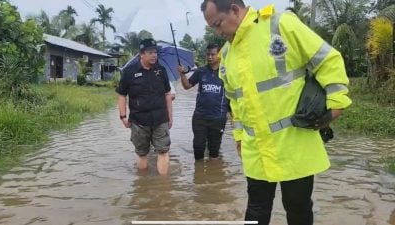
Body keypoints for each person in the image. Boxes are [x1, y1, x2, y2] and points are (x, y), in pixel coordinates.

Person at [201, 1, 352, 225]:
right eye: (212, 27)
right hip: (256, 149)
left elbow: (327, 59)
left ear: (234, 9)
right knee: (256, 211)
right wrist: (240, 137)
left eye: (217, 24)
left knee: (298, 208)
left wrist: (336, 102)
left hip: (294, 143)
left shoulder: (280, 25)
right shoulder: (227, 55)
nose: (217, 32)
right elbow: (236, 102)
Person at [116, 38, 173, 175]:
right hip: (139, 121)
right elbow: (122, 95)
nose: (154, 55)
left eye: (155, 52)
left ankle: (163, 186)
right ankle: (143, 183)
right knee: (142, 153)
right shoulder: (129, 72)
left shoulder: (161, 70)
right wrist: (123, 116)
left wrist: (170, 117)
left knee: (163, 151)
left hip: (160, 119)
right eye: (150, 52)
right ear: (141, 54)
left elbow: (167, 94)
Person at [178, 43, 230, 161]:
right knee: (198, 147)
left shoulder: (226, 72)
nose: (210, 57)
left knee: (214, 151)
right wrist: (182, 74)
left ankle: (214, 176)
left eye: (213, 54)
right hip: (200, 117)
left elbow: (232, 93)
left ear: (220, 55)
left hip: (218, 118)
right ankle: (199, 175)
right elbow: (187, 86)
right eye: (208, 54)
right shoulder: (201, 71)